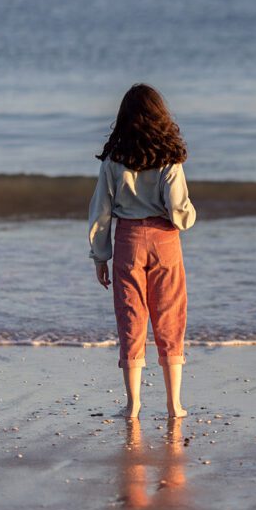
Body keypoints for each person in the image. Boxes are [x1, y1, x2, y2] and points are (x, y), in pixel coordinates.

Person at [89, 84, 196, 418]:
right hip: (165, 241)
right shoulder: (169, 159)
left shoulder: (113, 160)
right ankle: (174, 403)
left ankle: (133, 404)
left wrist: (99, 254)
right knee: (170, 319)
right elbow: (179, 211)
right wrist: (190, 215)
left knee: (131, 320)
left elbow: (101, 211)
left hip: (128, 242)